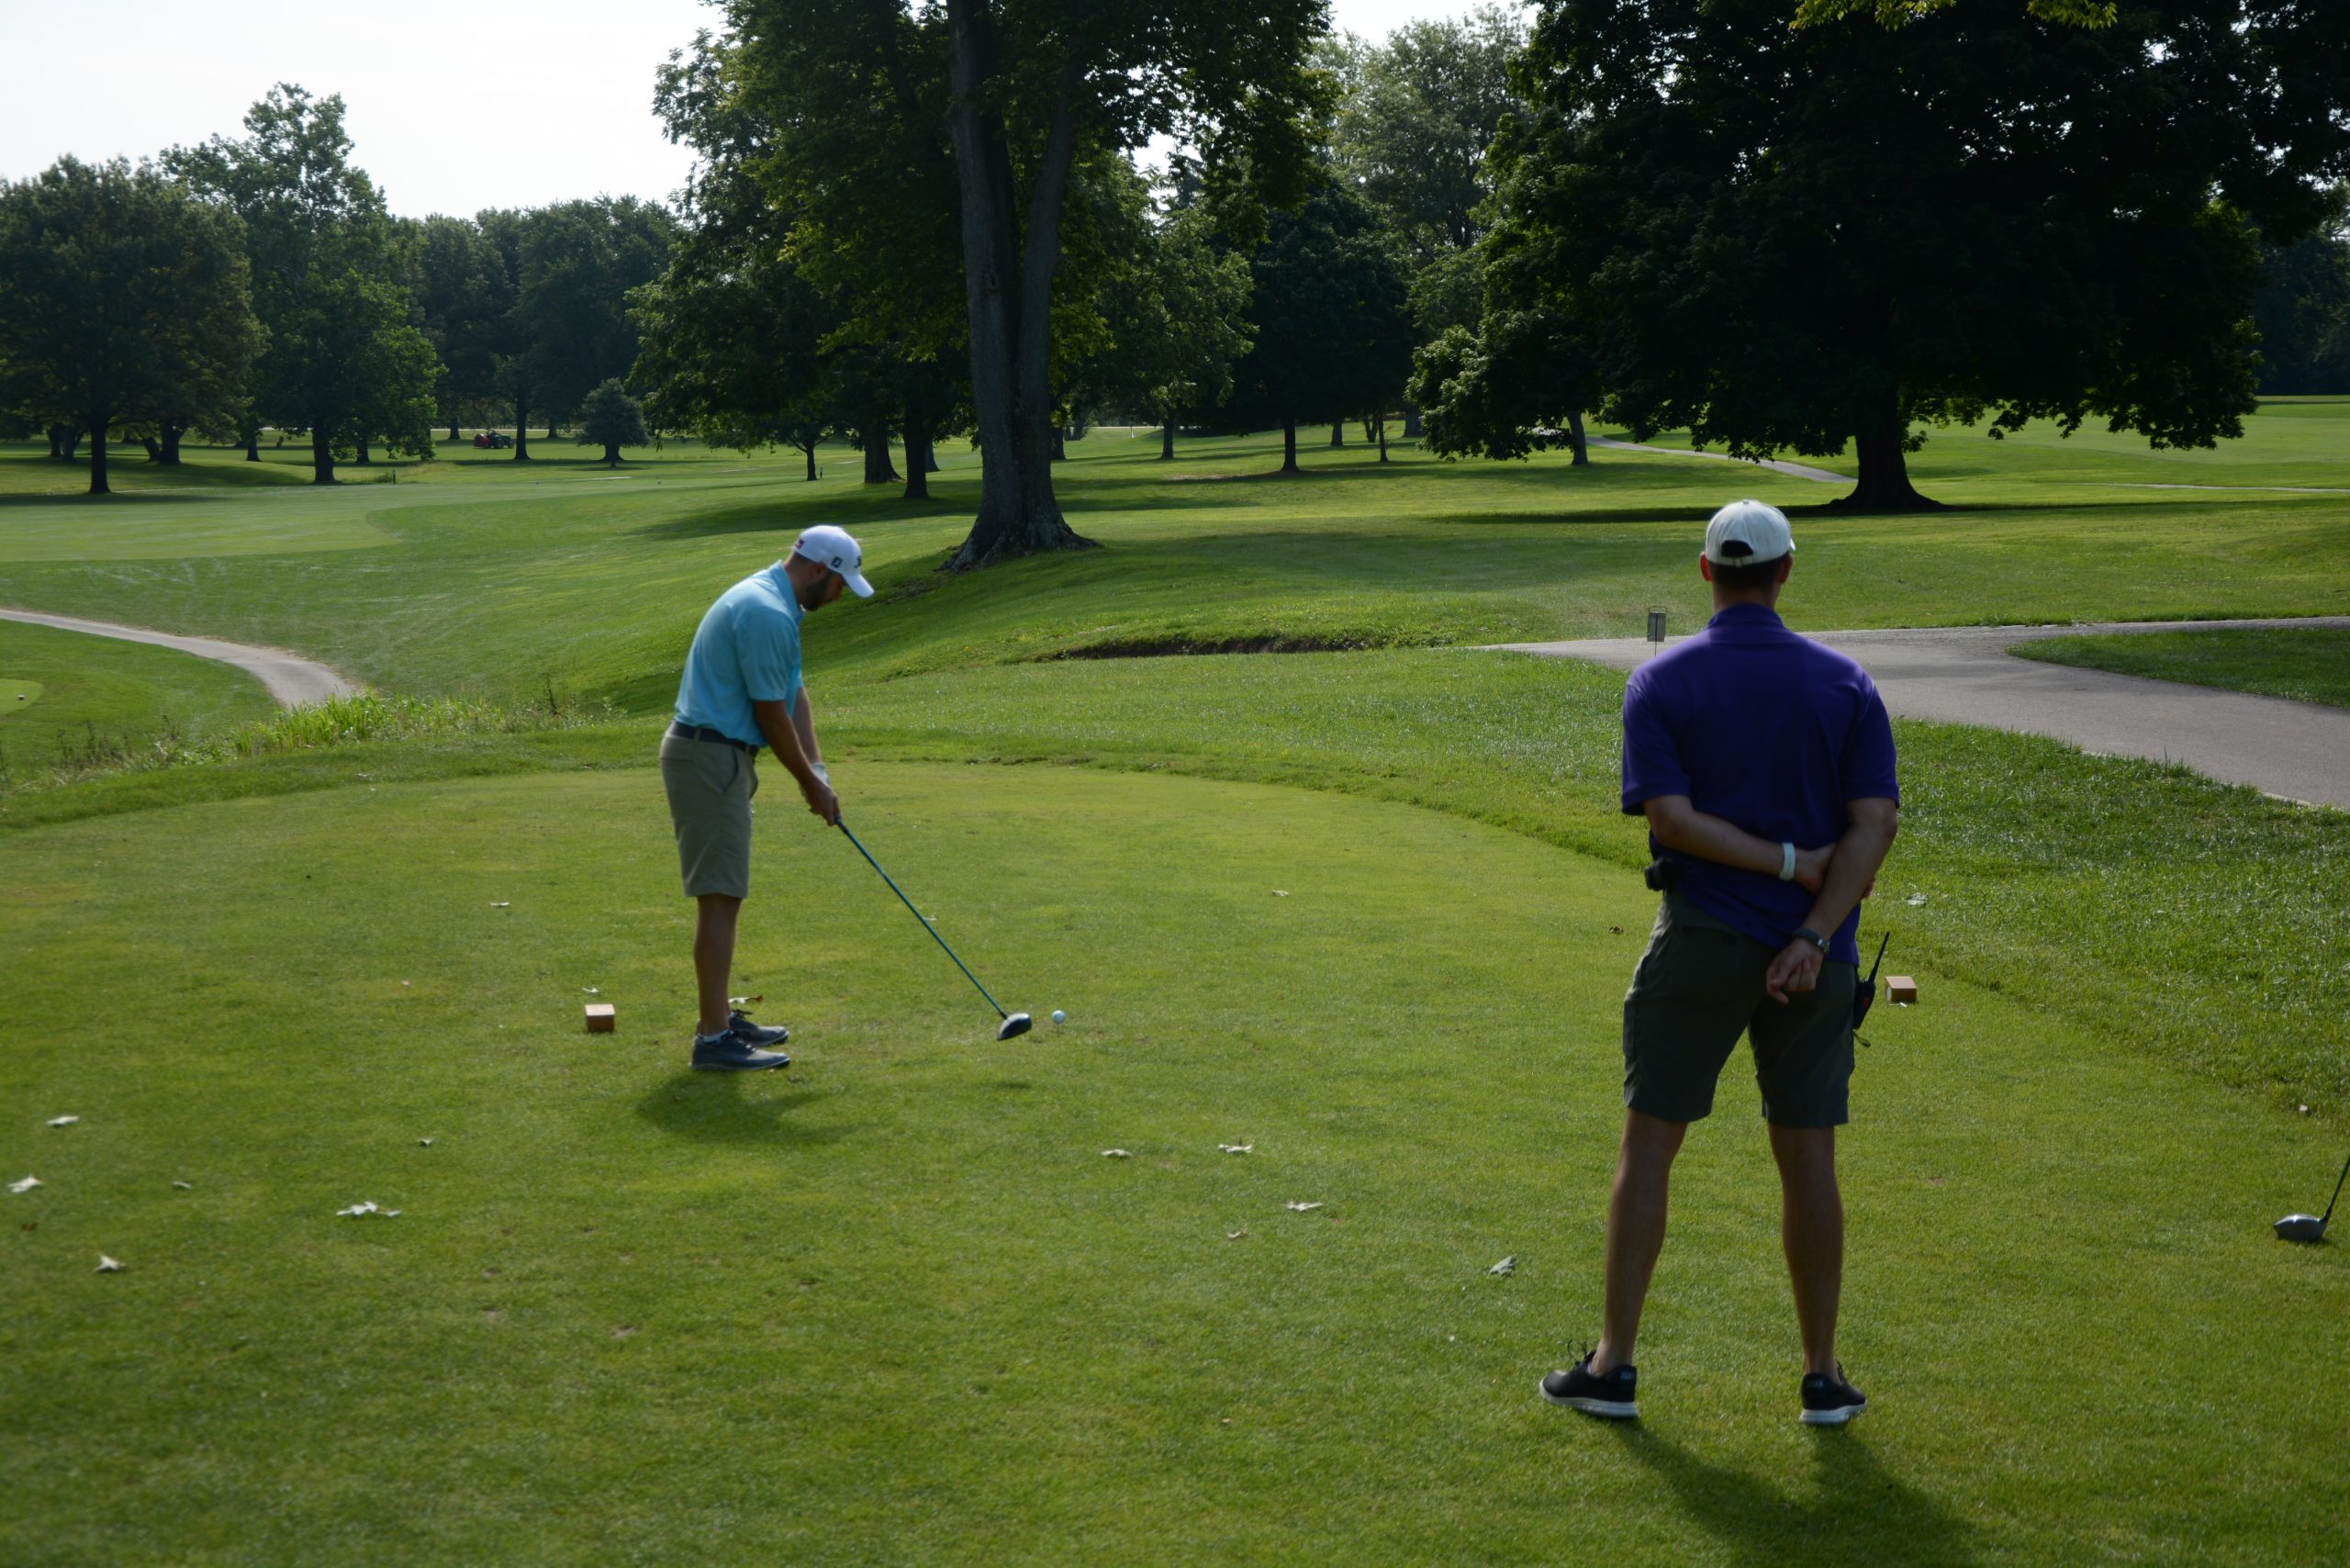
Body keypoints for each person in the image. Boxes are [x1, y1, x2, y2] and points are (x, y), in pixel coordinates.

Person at [1542, 498, 1900, 1427]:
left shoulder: (1661, 681)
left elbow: (1672, 820)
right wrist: (1811, 932)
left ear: (1706, 571)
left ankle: (1614, 1367)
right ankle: (1822, 1377)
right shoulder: (1847, 683)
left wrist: (1781, 870)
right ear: (1786, 571)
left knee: (1649, 1145)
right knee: (1807, 1154)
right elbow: (1874, 824)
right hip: (1817, 955)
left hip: (1701, 938)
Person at [660, 525, 873, 1070]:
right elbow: (771, 716)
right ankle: (713, 1040)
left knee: (725, 896)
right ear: (820, 570)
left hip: (718, 756)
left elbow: (793, 692)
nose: (841, 595)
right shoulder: (766, 613)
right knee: (720, 897)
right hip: (709, 756)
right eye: (841, 584)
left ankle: (718, 1019)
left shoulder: (776, 603)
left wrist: (817, 773)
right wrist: (809, 785)